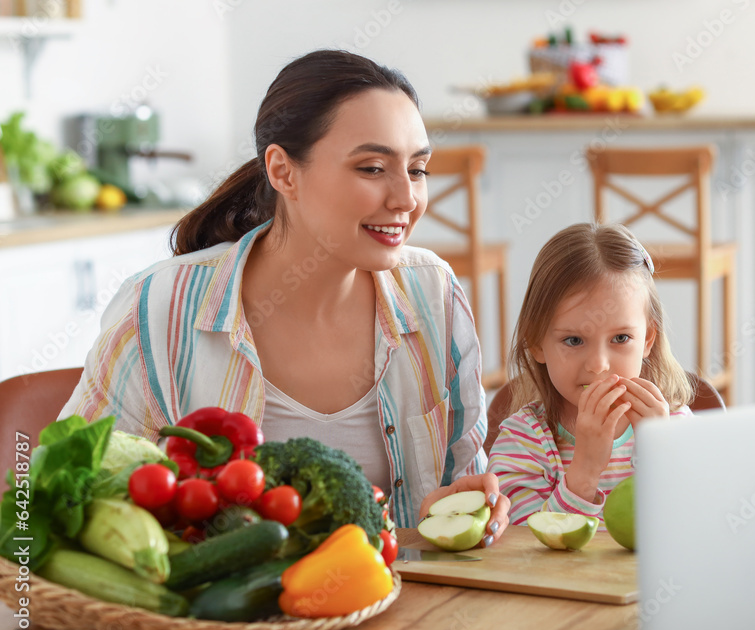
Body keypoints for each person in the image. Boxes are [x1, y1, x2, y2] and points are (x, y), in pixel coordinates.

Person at [59, 50, 509, 541]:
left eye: (418, 169)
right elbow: (71, 488)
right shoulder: (158, 307)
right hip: (218, 614)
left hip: (402, 605)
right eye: (373, 168)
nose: (406, 199)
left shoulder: (432, 293)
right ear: (283, 171)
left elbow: (462, 479)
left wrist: (471, 507)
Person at [486, 222, 693, 526]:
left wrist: (662, 455)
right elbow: (525, 557)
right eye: (574, 340)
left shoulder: (676, 428)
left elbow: (701, 527)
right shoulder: (523, 442)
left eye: (621, 338)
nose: (598, 365)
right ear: (535, 343)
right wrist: (584, 471)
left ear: (648, 340)